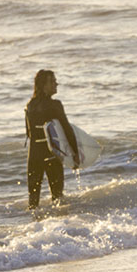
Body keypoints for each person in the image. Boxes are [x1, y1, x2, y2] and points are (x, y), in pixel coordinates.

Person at [25, 69, 79, 210]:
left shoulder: (30, 105)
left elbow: (29, 134)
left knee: (33, 201)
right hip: (51, 154)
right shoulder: (55, 105)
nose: (56, 84)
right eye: (53, 81)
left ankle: (34, 228)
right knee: (57, 198)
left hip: (34, 156)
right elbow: (67, 130)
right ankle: (56, 227)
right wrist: (75, 154)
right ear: (44, 85)